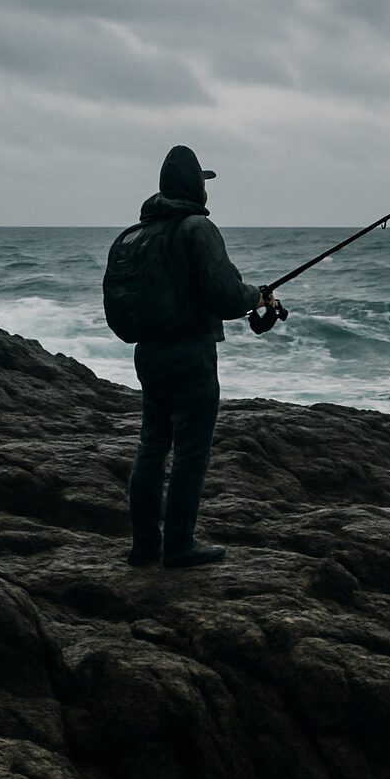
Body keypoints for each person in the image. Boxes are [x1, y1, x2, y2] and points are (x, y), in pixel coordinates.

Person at [120, 145, 277, 568]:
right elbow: (226, 296)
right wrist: (256, 297)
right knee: (191, 452)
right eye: (203, 183)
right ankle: (179, 547)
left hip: (148, 356)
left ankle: (144, 547)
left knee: (151, 447)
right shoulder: (196, 229)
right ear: (195, 187)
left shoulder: (141, 233)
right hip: (190, 356)